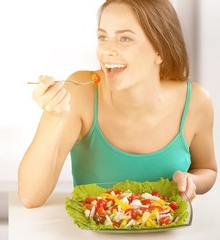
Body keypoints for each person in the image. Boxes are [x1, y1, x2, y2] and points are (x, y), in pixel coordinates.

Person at [18, 0, 217, 208]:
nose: (107, 51)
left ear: (160, 50)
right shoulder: (80, 93)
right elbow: (30, 197)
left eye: (124, 38)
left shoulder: (196, 101)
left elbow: (207, 169)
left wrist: (192, 181)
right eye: (103, 37)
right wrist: (54, 117)